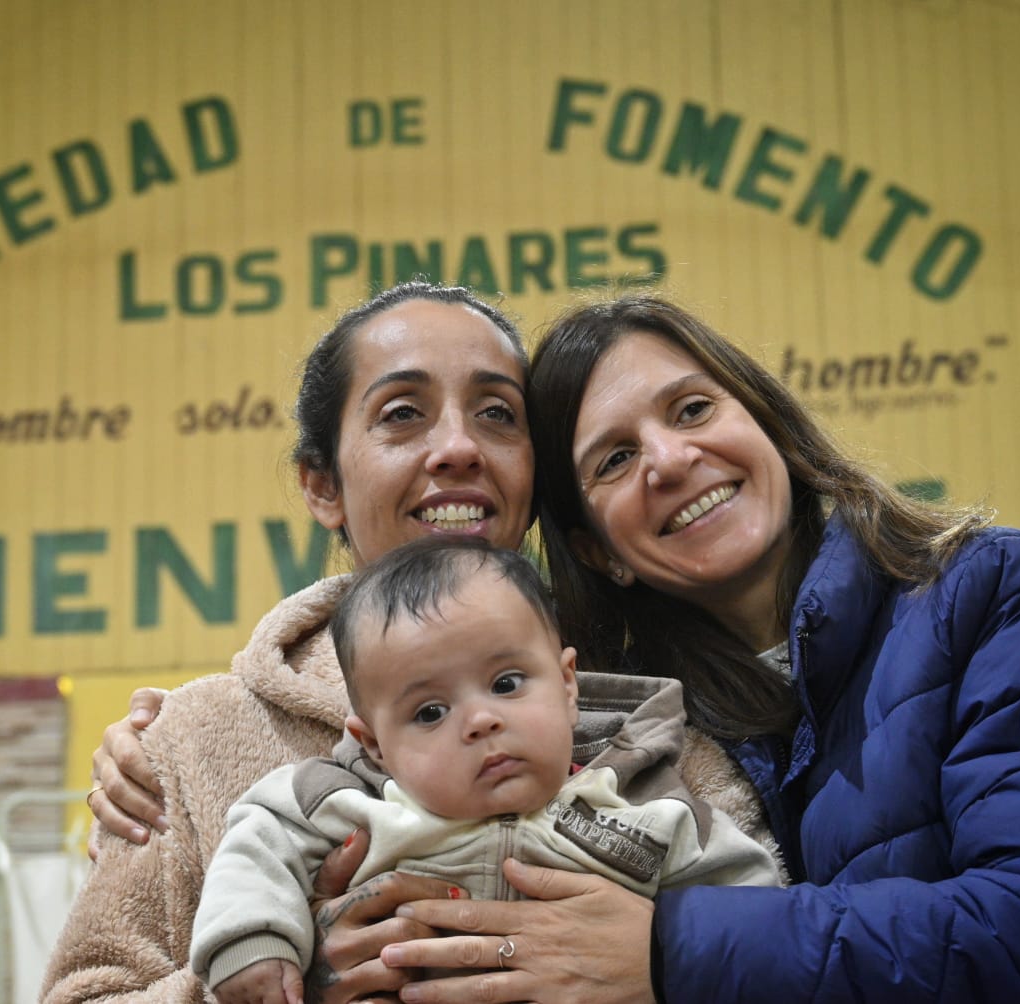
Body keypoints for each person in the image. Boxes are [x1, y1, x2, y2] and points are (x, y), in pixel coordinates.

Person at [371, 293, 1020, 1002]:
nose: (670, 460)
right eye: (615, 458)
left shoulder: (998, 596)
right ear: (597, 551)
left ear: (769, 425)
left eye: (692, 410)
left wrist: (669, 952)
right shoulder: (636, 740)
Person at [42, 282, 779, 1004]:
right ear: (322, 485)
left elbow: (763, 938)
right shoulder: (192, 741)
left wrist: (656, 961)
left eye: (497, 414)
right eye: (402, 413)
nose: (458, 447)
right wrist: (288, 982)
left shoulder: (656, 718)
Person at [193, 535, 780, 1004]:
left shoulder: (650, 814)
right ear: (374, 745)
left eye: (506, 683)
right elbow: (259, 837)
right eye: (429, 712)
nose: (480, 720)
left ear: (567, 687)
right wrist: (254, 940)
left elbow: (751, 913)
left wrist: (665, 956)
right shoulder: (351, 806)